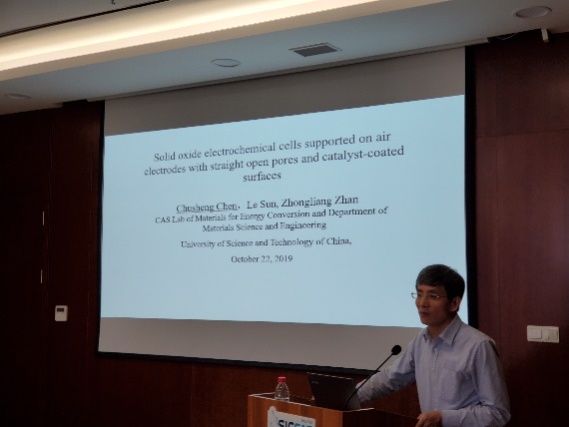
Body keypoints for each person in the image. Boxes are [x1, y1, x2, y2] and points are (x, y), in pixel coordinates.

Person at [357, 264, 511, 427]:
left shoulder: (478, 346)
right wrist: (349, 395)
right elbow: (391, 379)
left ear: (454, 303)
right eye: (419, 294)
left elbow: (498, 413)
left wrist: (443, 418)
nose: (422, 303)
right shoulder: (421, 340)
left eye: (433, 296)